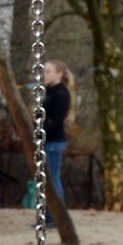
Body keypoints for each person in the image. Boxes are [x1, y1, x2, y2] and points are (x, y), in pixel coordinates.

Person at [43, 60, 75, 228]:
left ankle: (55, 217)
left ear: (59, 74)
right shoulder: (50, 92)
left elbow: (56, 121)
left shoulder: (61, 94)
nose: (44, 75)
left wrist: (41, 133)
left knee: (53, 179)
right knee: (47, 180)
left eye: (48, 72)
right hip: (48, 140)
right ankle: (48, 217)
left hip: (53, 142)